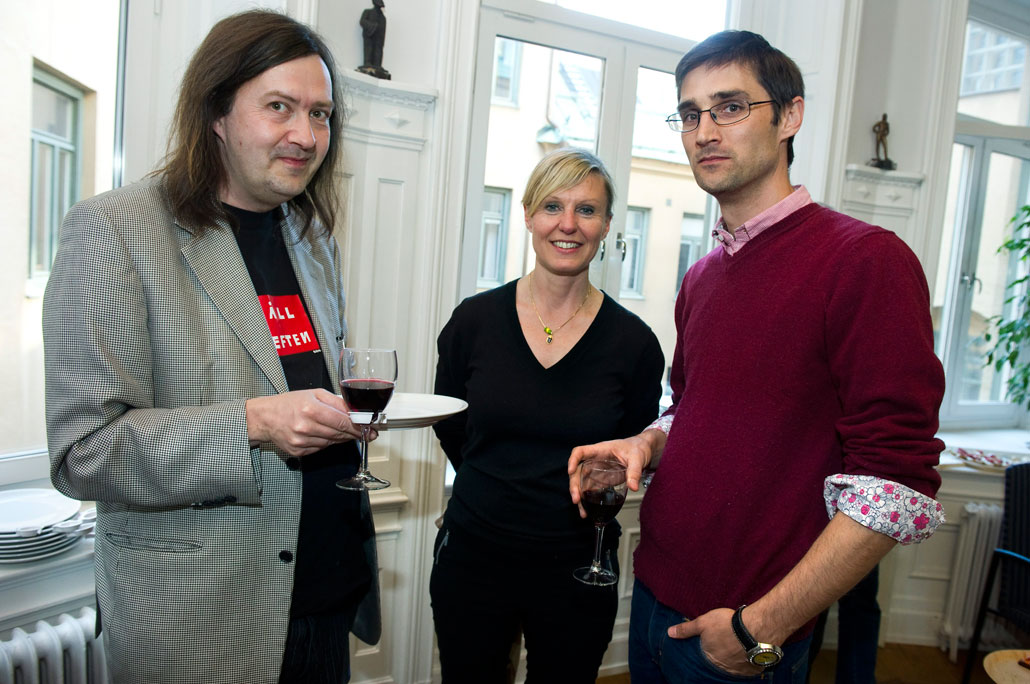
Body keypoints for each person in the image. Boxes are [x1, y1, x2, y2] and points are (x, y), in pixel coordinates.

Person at [568, 30, 946, 683]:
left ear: (790, 115)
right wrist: (646, 444)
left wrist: (760, 628)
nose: (705, 131)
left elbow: (897, 486)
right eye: (690, 115)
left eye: (731, 107)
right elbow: (691, 409)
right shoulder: (702, 276)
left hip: (745, 632)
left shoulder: (865, 261)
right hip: (654, 597)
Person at [42, 10, 380, 684]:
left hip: (326, 602)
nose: (305, 134)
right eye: (279, 107)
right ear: (217, 112)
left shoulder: (311, 238)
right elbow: (84, 454)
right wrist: (253, 423)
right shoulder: (116, 230)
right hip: (200, 626)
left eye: (320, 114)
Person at [431, 147, 664, 683]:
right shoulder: (473, 321)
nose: (568, 224)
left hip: (580, 565)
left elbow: (633, 448)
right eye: (553, 206)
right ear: (529, 215)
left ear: (607, 225)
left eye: (587, 210)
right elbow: (452, 423)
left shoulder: (633, 343)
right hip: (474, 557)